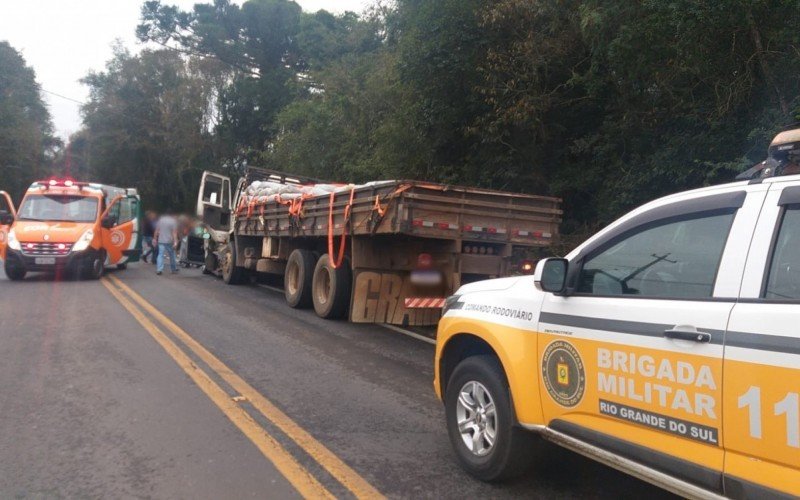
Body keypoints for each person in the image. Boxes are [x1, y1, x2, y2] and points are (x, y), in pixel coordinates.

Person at [154, 209, 179, 275]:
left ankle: (159, 269)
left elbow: (156, 230)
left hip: (161, 240)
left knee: (160, 255)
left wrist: (154, 239)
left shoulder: (160, 220)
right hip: (169, 241)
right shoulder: (173, 221)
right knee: (172, 255)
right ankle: (173, 269)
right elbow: (174, 233)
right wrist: (175, 241)